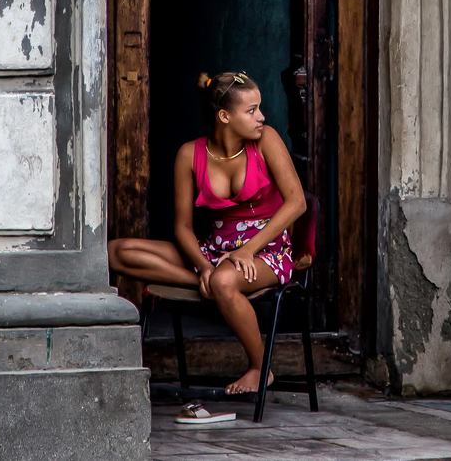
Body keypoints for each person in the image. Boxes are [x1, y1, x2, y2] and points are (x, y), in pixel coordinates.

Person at [108, 70, 307, 401]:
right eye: (251, 110)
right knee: (117, 251)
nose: (261, 117)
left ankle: (261, 367)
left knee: (225, 281)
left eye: (259, 108)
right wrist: (203, 266)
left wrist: (247, 250)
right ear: (225, 116)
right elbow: (183, 227)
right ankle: (205, 280)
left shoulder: (266, 140)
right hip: (213, 251)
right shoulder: (190, 154)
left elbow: (297, 202)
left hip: (266, 250)